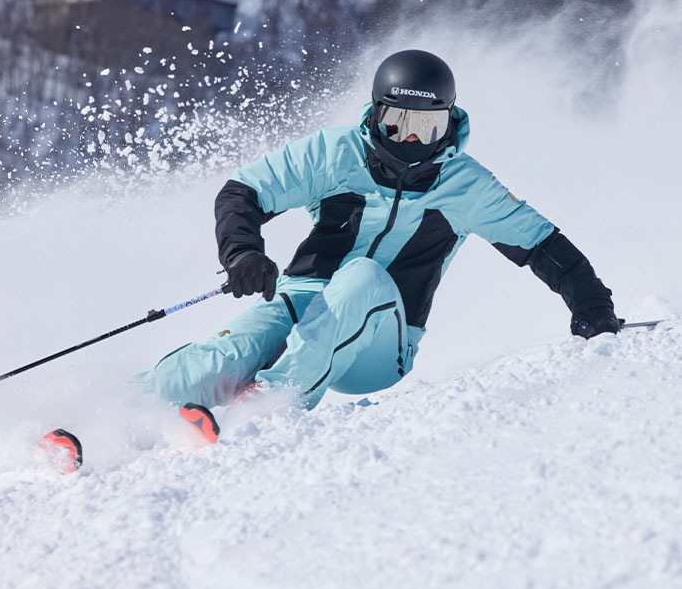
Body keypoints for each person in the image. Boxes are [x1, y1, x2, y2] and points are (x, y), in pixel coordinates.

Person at [136, 50, 619, 442]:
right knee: (226, 353)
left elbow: (540, 244)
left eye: (425, 127)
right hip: (304, 300)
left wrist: (594, 308)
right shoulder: (334, 153)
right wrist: (242, 252)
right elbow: (243, 192)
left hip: (382, 342)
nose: (409, 138)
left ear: (447, 124)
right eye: (396, 122)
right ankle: (121, 415)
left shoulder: (465, 184)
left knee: (362, 276)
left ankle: (268, 403)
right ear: (375, 113)